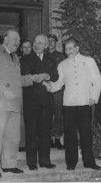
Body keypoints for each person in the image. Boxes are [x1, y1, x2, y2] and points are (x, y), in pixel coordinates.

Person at [0, 29, 48, 178]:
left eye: (19, 39)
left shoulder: (15, 57)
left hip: (14, 103)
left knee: (13, 137)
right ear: (5, 39)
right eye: (14, 38)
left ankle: (9, 164)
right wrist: (3, 91)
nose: (18, 41)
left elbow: (18, 81)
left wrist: (34, 78)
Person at [43, 37, 101, 170]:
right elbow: (58, 84)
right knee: (69, 135)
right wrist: (49, 86)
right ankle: (71, 163)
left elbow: (98, 80)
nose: (67, 51)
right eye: (66, 48)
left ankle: (89, 162)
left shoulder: (89, 61)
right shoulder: (62, 65)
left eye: (70, 48)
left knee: (86, 133)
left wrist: (93, 97)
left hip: (84, 102)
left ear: (77, 48)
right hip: (69, 103)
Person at [21, 34, 58, 171]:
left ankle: (45, 161)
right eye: (35, 42)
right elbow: (27, 73)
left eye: (40, 43)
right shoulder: (25, 59)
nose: (37, 45)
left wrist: (46, 75)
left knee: (45, 131)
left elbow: (55, 76)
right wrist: (43, 77)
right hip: (30, 100)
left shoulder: (51, 60)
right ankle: (31, 162)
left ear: (46, 46)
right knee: (31, 131)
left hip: (46, 101)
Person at [46, 34, 65, 149]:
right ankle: (48, 139)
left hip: (58, 89)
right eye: (48, 41)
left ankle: (57, 138)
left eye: (53, 41)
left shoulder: (61, 56)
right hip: (46, 88)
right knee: (47, 113)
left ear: (56, 42)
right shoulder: (43, 55)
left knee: (58, 113)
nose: (51, 43)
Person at [19, 40, 32, 152]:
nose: (27, 49)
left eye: (29, 47)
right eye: (24, 47)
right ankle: (22, 143)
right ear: (21, 49)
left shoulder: (36, 60)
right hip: (22, 91)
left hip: (34, 92)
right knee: (22, 118)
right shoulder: (18, 61)